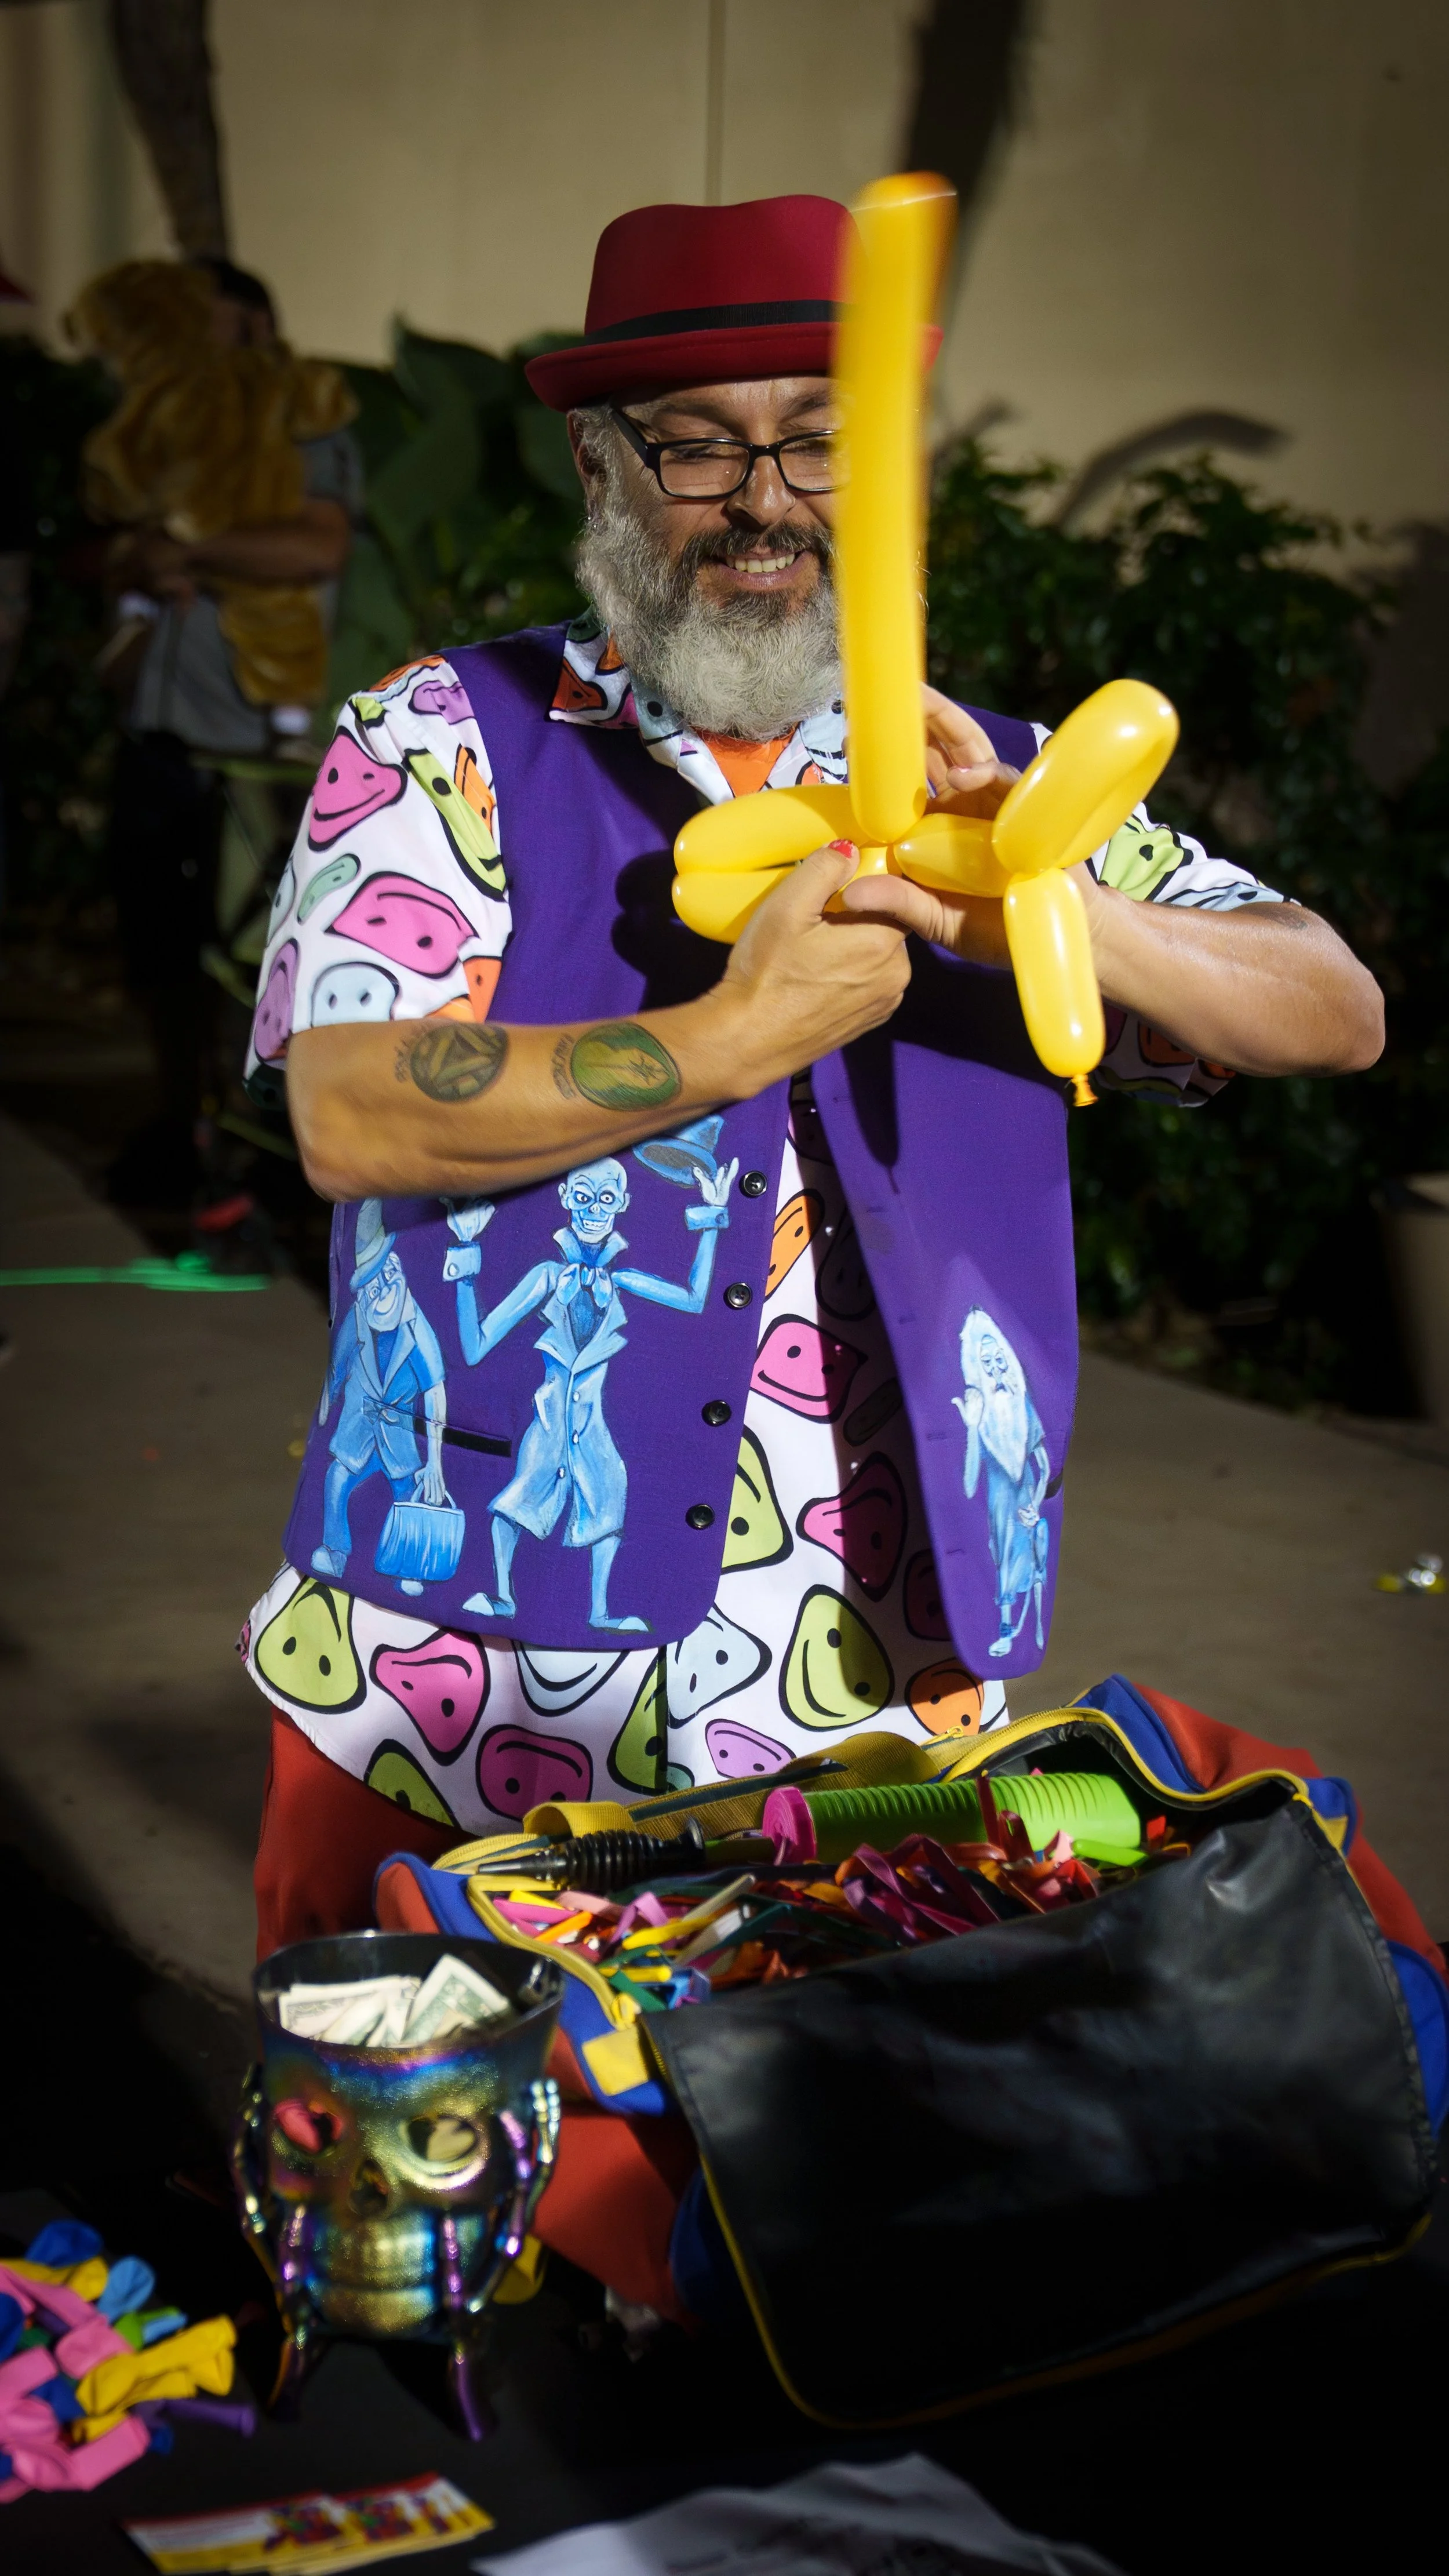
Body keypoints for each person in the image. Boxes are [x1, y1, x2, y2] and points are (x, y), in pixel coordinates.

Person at [240, 194, 1382, 1955]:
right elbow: (347, 1104)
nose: (764, 499)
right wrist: (730, 1035)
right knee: (419, 2121)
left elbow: (1330, 1004)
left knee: (815, 2126)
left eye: (817, 441)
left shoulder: (1002, 779)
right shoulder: (442, 737)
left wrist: (1043, 909)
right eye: (698, 445)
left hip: (877, 1693)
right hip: (458, 1683)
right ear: (600, 465)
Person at [70, 257, 362, 1203]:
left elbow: (317, 543)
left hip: (252, 747)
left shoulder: (297, 416)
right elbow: (106, 543)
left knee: (251, 955)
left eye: (211, 319)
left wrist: (189, 550)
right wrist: (141, 560)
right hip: (159, 732)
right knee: (162, 952)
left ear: (253, 325)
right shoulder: (166, 419)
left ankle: (256, 1154)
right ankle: (180, 1130)